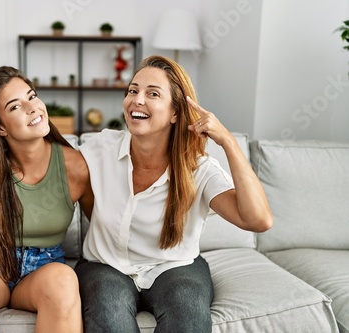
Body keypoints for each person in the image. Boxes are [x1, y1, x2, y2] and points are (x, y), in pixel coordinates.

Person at [75, 55, 273, 332]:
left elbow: (258, 220)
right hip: (104, 265)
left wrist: (228, 141)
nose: (137, 100)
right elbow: (46, 168)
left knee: (188, 309)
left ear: (175, 113)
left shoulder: (199, 169)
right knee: (108, 308)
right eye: (133, 90)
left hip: (174, 268)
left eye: (152, 93)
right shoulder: (101, 147)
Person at [0, 66, 93, 333]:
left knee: (63, 281)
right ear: (0, 127)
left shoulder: (75, 167)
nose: (32, 107)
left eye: (32, 96)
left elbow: (104, 229)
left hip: (43, 271)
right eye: (14, 107)